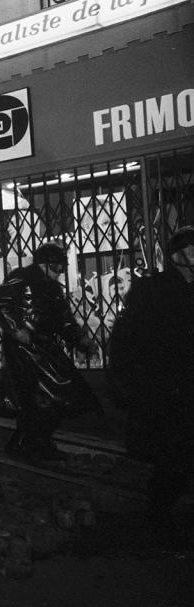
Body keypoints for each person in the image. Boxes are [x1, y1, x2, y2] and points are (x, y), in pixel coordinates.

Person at [109, 227, 194, 543]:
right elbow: (127, 338)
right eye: (192, 248)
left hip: (184, 384)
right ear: (176, 256)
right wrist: (128, 382)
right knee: (173, 454)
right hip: (164, 388)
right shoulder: (152, 290)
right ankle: (157, 519)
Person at [0, 242, 100, 461]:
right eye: (56, 266)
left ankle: (33, 443)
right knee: (37, 397)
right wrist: (16, 329)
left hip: (43, 347)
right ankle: (29, 444)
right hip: (24, 350)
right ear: (45, 263)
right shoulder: (22, 277)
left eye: (60, 266)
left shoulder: (52, 288)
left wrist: (81, 340)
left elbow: (64, 320)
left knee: (52, 396)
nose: (59, 271)